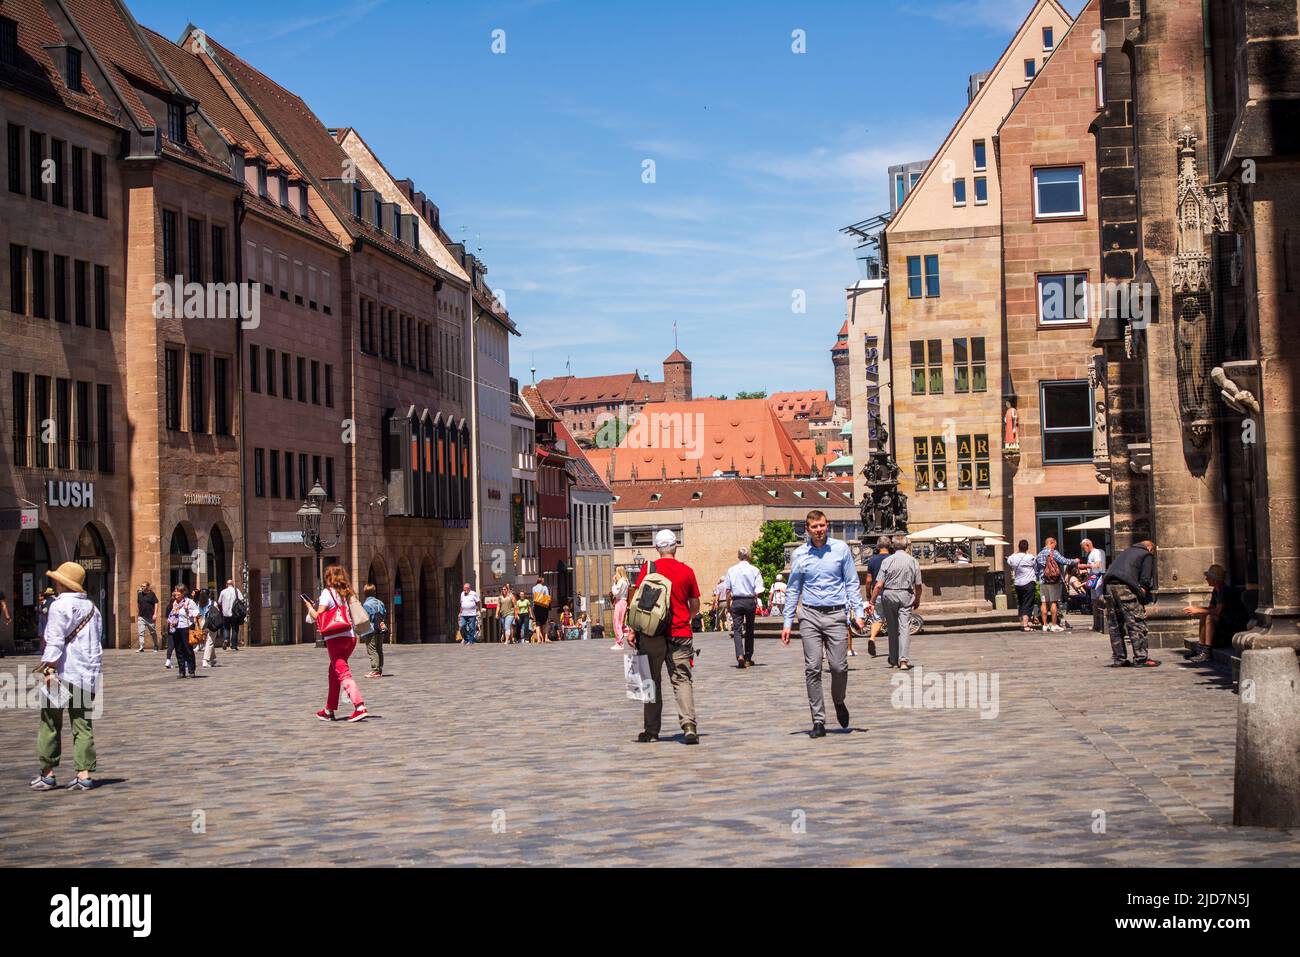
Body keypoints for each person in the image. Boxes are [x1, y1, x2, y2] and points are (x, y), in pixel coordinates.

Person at [782, 510, 865, 738]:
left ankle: (838, 699)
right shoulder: (799, 555)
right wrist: (788, 622)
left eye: (822, 525)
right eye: (814, 527)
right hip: (809, 615)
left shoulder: (840, 550)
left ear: (827, 525)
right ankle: (818, 720)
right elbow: (793, 589)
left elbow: (851, 583)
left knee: (839, 666)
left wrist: (858, 612)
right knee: (813, 667)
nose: (819, 530)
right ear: (807, 529)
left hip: (836, 614)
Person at [30, 562, 102, 792]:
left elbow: (55, 640)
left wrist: (49, 669)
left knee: (50, 721)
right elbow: (96, 644)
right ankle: (83, 774)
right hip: (86, 673)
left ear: (62, 583)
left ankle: (47, 773)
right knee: (82, 724)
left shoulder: (59, 606)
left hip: (63, 673)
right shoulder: (93, 608)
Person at [630, 529, 701, 744]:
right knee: (682, 679)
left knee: (650, 680)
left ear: (657, 548)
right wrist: (684, 618)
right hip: (679, 632)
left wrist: (633, 630)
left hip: (651, 634)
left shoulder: (648, 569)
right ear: (675, 547)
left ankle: (651, 731)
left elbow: (637, 603)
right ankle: (688, 725)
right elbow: (695, 606)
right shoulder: (686, 571)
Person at [303, 564, 369, 721]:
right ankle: (329, 709)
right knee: (334, 673)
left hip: (335, 638)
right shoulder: (347, 592)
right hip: (350, 637)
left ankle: (359, 706)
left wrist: (308, 607)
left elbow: (319, 616)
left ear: (329, 578)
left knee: (343, 672)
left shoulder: (327, 593)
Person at [1102, 540, 1160, 668]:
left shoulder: (1126, 552)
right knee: (1136, 623)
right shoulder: (1146, 554)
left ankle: (1119, 658)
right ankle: (1141, 658)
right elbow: (1145, 579)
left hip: (1109, 587)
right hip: (1126, 588)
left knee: (1115, 625)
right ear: (1150, 549)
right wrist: (1143, 595)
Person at [871, 534, 923, 672]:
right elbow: (918, 585)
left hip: (889, 594)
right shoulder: (913, 561)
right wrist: (917, 599)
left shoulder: (887, 561)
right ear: (906, 546)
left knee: (892, 628)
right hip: (906, 594)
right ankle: (904, 660)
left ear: (893, 546)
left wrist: (871, 600)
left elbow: (878, 584)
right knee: (904, 627)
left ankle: (893, 659)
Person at [1184, 564, 1247, 663]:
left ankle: (1207, 651)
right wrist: (1198, 610)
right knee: (1203, 615)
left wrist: (1198, 610)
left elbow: (1217, 611)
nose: (1206, 578)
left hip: (1231, 622)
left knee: (1210, 618)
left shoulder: (1224, 590)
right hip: (1223, 619)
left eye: (1208, 577)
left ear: (1215, 579)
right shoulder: (1216, 590)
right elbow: (1211, 608)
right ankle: (1201, 647)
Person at [725, 546, 765, 669]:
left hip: (736, 601)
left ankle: (739, 655)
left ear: (738, 556)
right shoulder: (754, 570)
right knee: (749, 630)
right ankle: (748, 657)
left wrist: (728, 606)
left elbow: (727, 590)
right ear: (749, 556)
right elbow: (759, 589)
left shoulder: (731, 570)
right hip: (749, 601)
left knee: (737, 630)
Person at [1034, 536, 1077, 633]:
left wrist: (1040, 577)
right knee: (1053, 602)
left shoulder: (1039, 554)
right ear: (1051, 543)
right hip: (1053, 581)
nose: (1055, 546)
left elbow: (1036, 570)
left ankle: (1044, 625)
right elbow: (1064, 561)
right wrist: (1075, 561)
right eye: (1055, 544)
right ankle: (1053, 625)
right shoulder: (1053, 552)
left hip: (1042, 581)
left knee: (1043, 602)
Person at [861, 536, 893, 657]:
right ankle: (894, 647)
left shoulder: (872, 560)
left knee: (877, 619)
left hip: (878, 594)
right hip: (891, 593)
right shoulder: (893, 559)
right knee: (893, 621)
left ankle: (872, 638)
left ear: (878, 546)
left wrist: (869, 595)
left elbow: (869, 580)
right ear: (889, 545)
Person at [166, 584, 199, 678]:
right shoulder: (173, 602)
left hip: (186, 627)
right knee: (178, 650)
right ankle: (181, 671)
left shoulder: (189, 602)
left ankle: (191, 670)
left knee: (188, 649)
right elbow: (168, 613)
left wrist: (187, 610)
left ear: (183, 593)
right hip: (175, 628)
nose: (175, 592)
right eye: (175, 590)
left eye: (178, 591)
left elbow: (196, 613)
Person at [1007, 540, 1038, 632]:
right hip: (1029, 582)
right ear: (1027, 547)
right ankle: (1025, 625)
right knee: (1028, 604)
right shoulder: (1030, 557)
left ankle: (1021, 623)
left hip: (1018, 583)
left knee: (1021, 603)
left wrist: (1017, 552)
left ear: (1018, 547)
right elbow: (1036, 567)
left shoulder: (1013, 557)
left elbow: (1009, 560)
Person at [362, 584, 388, 676]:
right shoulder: (380, 603)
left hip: (371, 629)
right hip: (380, 628)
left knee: (372, 649)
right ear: (374, 592)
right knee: (379, 648)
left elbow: (365, 618)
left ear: (365, 593)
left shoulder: (366, 604)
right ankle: (379, 668)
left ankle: (375, 670)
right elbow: (384, 613)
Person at [217, 579, 244, 651]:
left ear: (226, 584)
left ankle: (226, 640)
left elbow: (219, 602)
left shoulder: (223, 592)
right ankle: (234, 646)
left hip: (225, 614)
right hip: (235, 613)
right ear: (233, 584)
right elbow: (242, 599)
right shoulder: (236, 591)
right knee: (235, 628)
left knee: (226, 628)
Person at [197, 588, 221, 668]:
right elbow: (217, 612)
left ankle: (212, 659)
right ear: (209, 595)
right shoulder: (212, 602)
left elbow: (198, 614)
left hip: (202, 622)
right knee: (210, 641)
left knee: (208, 641)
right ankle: (205, 660)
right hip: (211, 622)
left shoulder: (199, 603)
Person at [136, 582, 160, 652]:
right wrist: (138, 614)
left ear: (148, 587)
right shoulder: (139, 594)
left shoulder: (152, 594)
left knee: (153, 632)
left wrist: (155, 614)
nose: (142, 587)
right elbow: (138, 604)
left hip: (150, 616)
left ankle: (156, 646)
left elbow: (156, 603)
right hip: (141, 616)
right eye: (141, 586)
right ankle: (141, 646)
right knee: (141, 632)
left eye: (144, 586)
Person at [609, 567, 630, 650]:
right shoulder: (626, 581)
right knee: (621, 622)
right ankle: (625, 632)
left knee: (616, 622)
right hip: (624, 602)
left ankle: (619, 643)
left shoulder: (620, 581)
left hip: (620, 602)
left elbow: (616, 592)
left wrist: (614, 583)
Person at [36, 587, 55, 654]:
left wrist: (39, 610)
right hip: (54, 619)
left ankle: (43, 649)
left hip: (47, 619)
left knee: (45, 634)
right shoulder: (56, 600)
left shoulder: (48, 601)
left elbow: (45, 611)